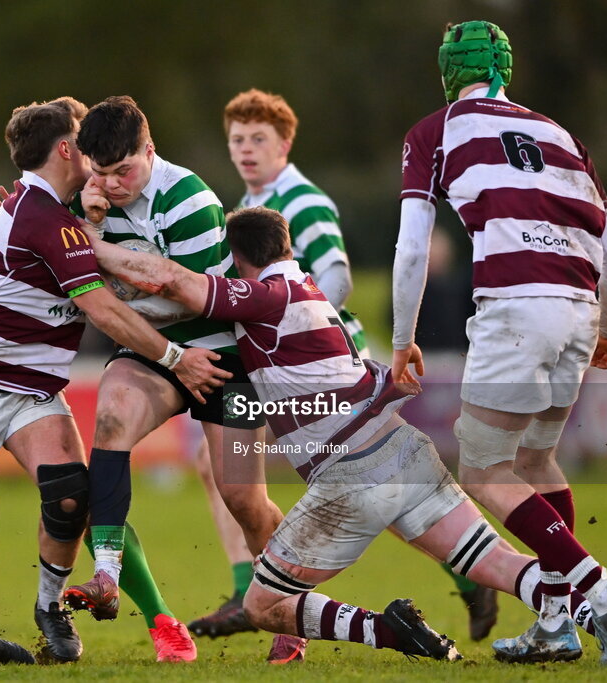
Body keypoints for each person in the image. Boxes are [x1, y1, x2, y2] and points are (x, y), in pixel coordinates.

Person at [87, 206, 607, 665]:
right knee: (497, 564)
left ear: (239, 258)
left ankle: (387, 629)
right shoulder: (309, 291)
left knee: (263, 606)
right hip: (404, 451)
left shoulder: (265, 296)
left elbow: (175, 284)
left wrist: (93, 247)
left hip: (353, 474)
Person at [188, 89, 497, 646]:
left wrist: (285, 332)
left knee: (338, 487)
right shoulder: (248, 203)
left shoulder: (300, 199)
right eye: (238, 139)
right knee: (229, 471)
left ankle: (260, 592)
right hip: (278, 365)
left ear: (285, 144)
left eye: (259, 139)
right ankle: (262, 590)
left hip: (308, 370)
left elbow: (337, 274)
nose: (246, 150)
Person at [0, 97, 226, 665]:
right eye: (83, 139)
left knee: (69, 497)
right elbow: (106, 312)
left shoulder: (61, 204)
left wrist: (91, 219)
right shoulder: (42, 215)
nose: (95, 154)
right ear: (67, 149)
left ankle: (49, 607)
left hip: (31, 390)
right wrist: (176, 357)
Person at [391, 20, 607, 664]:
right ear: (506, 66)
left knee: (481, 469)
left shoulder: (436, 130)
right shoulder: (562, 135)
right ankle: (555, 627)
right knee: (535, 463)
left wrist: (402, 340)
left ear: (448, 71)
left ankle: (598, 593)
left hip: (514, 310)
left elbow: (413, 248)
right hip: (579, 310)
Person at [58, 96, 304, 664]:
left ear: (150, 150)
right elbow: (74, 275)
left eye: (125, 171)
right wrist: (83, 222)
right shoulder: (88, 200)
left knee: (244, 497)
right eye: (102, 173)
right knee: (113, 412)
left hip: (223, 355)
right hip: (152, 349)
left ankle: (294, 609)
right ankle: (106, 574)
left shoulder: (189, 197)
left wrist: (93, 248)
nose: (114, 184)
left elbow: (181, 296)